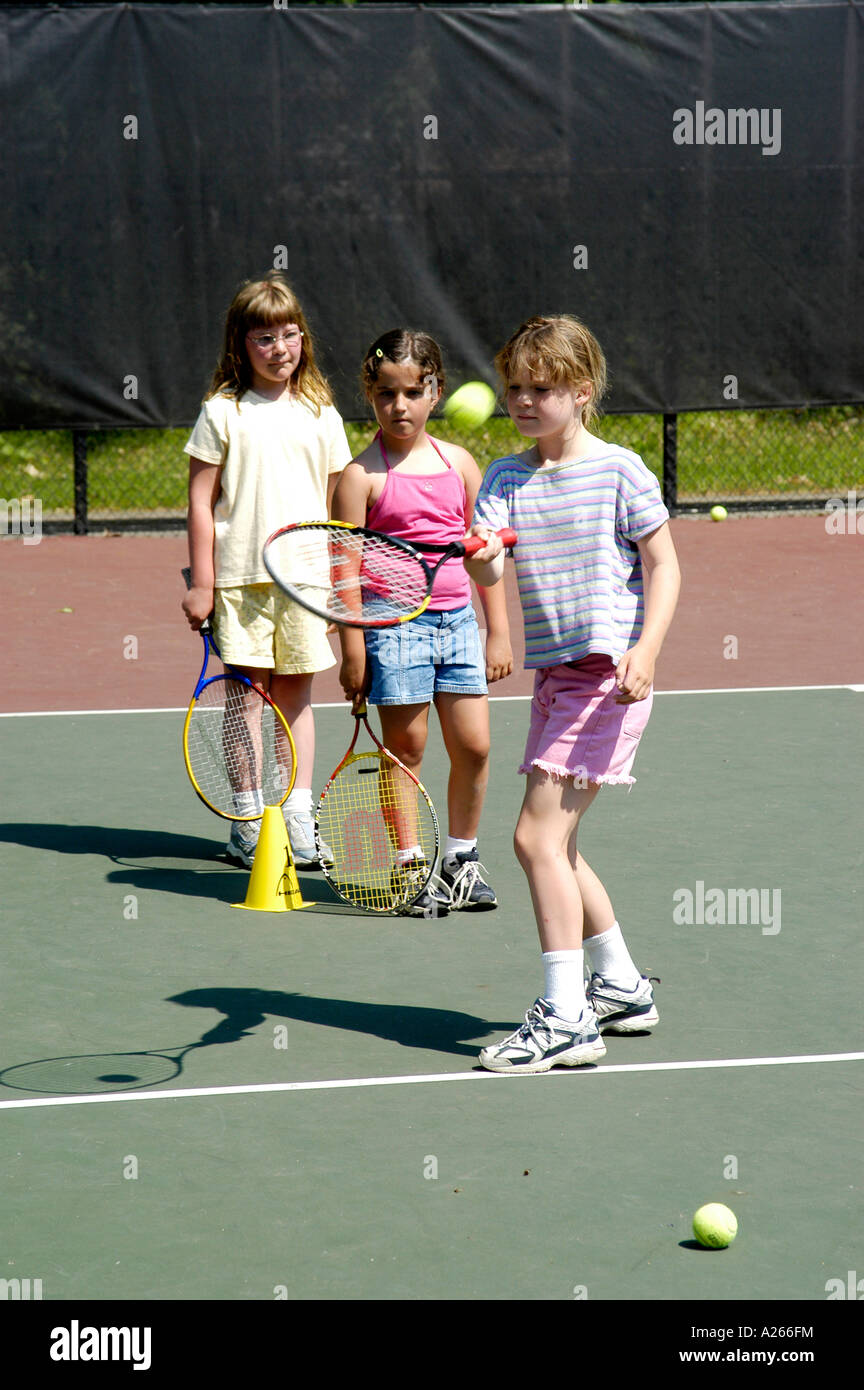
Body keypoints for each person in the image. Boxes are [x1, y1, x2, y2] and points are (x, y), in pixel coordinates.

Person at [467, 315, 681, 1072]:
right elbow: (488, 573)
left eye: (542, 388)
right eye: (515, 388)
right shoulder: (501, 478)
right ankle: (620, 986)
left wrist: (647, 649)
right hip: (557, 678)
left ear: (582, 393)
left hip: (610, 681)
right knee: (561, 844)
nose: (523, 400)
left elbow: (664, 567)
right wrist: (485, 556)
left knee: (533, 840)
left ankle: (565, 1018)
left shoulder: (621, 470)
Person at [331, 329, 513, 916]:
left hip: (457, 623)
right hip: (392, 629)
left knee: (476, 747)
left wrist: (499, 630)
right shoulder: (360, 477)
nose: (399, 406)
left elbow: (486, 554)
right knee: (406, 749)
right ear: (370, 393)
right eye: (386, 394)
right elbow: (345, 573)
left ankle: (461, 860)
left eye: (413, 392)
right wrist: (353, 649)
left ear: (435, 392)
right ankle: (411, 865)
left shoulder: (459, 464)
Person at [181, 272, 351, 868]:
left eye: (290, 333)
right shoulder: (222, 412)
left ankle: (297, 817)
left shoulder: (321, 414)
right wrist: (203, 582)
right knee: (248, 698)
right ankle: (248, 819)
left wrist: (338, 586)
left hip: (305, 585)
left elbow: (338, 512)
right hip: (239, 580)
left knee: (296, 701)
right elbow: (201, 501)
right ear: (239, 345)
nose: (280, 348)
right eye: (264, 337)